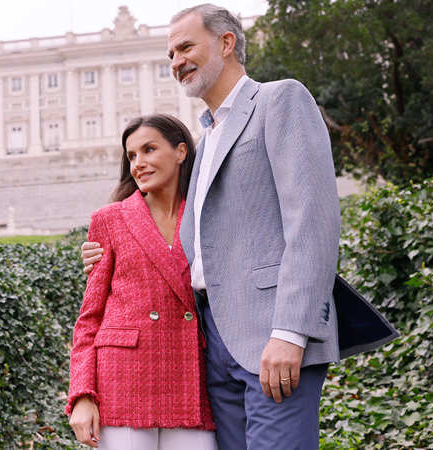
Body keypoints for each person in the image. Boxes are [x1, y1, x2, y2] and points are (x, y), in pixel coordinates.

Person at [81, 4, 341, 449]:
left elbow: (313, 223)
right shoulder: (205, 139)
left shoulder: (279, 100)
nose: (176, 61)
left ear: (226, 43)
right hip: (211, 345)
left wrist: (290, 331)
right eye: (170, 54)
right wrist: (111, 253)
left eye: (185, 47)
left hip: (270, 332)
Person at [67, 114, 217, 449]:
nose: (139, 163)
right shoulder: (109, 220)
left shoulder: (207, 214)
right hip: (122, 381)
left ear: (181, 151)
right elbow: (89, 319)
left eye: (149, 150)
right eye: (132, 156)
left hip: (191, 376)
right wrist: (81, 395)